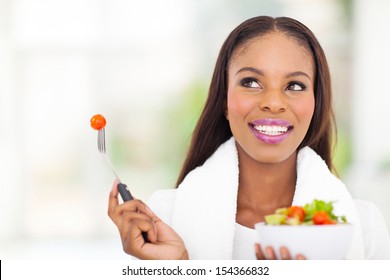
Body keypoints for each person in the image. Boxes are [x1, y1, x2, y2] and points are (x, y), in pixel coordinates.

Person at [107, 16, 390, 260]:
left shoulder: (365, 228)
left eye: (294, 85)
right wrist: (180, 267)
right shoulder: (163, 220)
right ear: (224, 102)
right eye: (251, 82)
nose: (273, 102)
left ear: (317, 104)